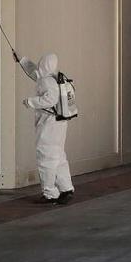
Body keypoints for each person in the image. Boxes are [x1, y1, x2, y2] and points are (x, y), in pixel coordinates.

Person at [19, 52, 75, 205]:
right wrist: (22, 60)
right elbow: (35, 73)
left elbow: (49, 99)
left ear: (43, 63)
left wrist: (30, 101)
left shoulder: (45, 81)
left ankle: (50, 193)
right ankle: (66, 189)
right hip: (60, 122)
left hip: (49, 124)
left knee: (46, 157)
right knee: (59, 157)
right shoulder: (56, 78)